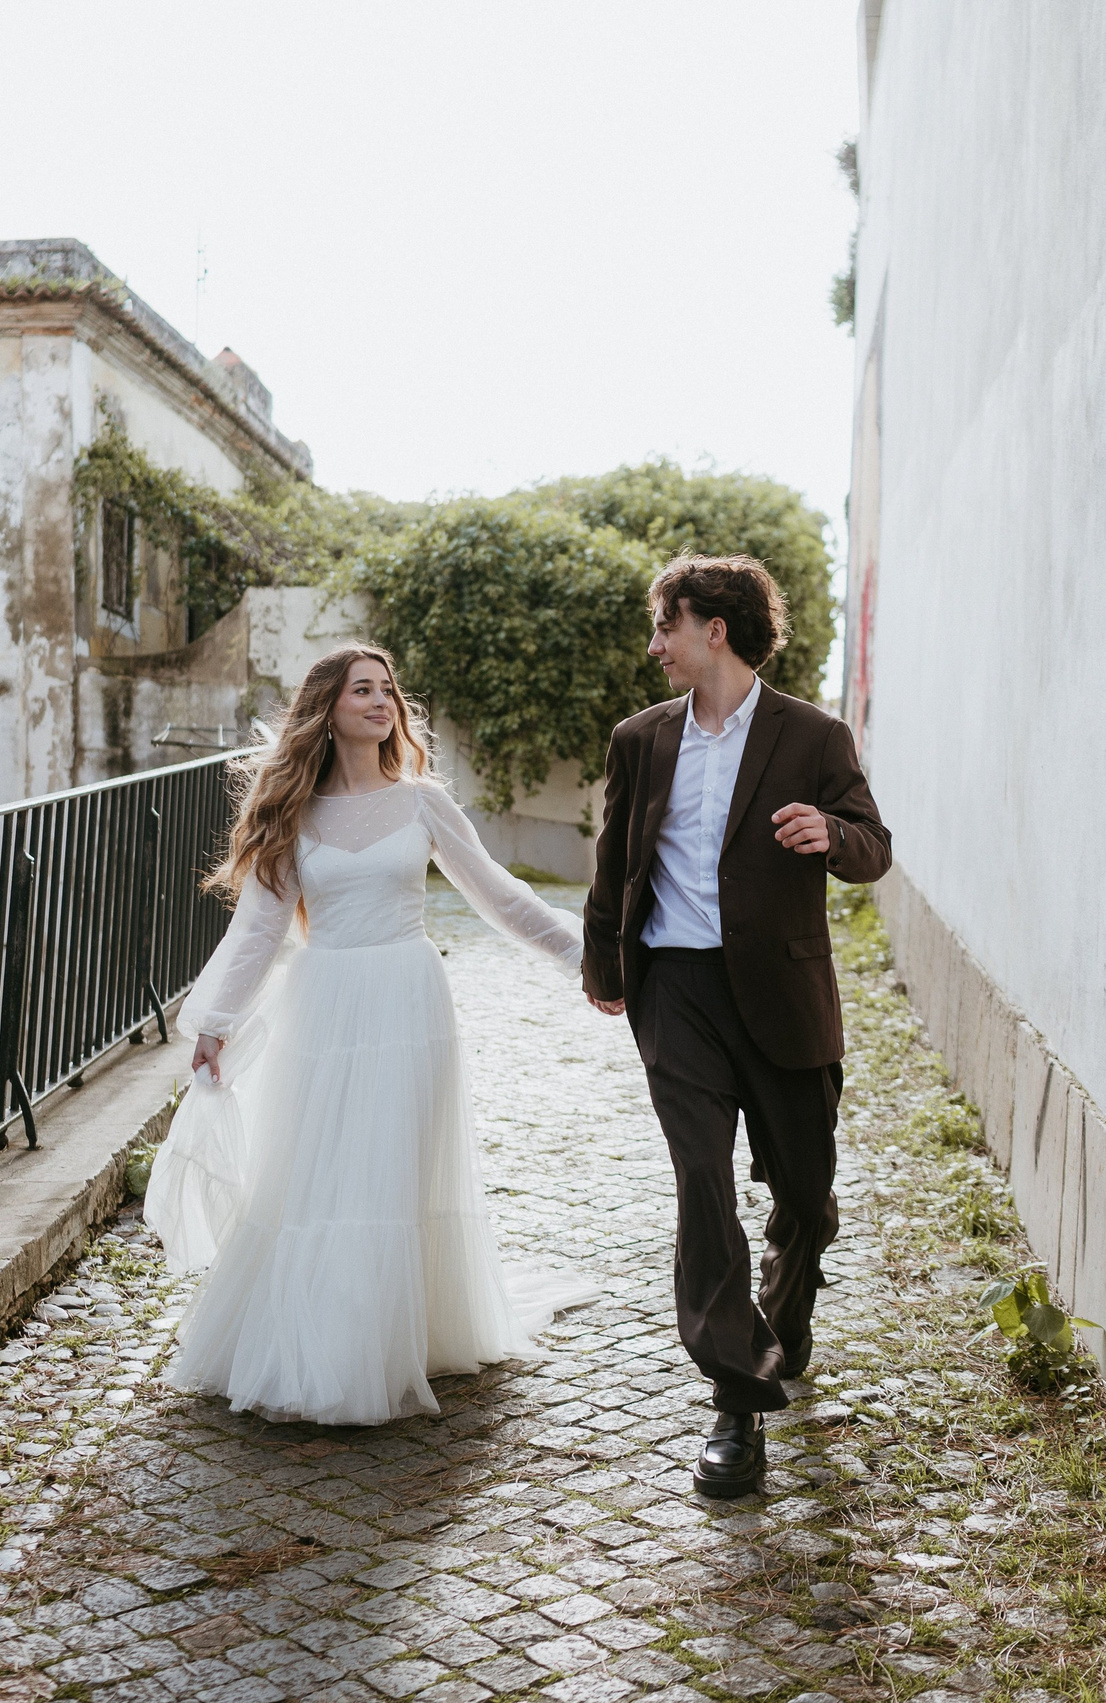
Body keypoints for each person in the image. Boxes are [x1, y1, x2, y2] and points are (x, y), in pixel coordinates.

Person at [149, 644, 593, 1427]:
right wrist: (214, 1024)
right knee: (322, 1169)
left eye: (388, 689)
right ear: (329, 708)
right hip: (322, 1003)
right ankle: (326, 1336)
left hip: (407, 998)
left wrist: (586, 960)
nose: (382, 701)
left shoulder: (422, 803)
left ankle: (395, 1334)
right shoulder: (292, 811)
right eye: (364, 690)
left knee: (392, 1165)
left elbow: (500, 897)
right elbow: (257, 929)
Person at [583, 553, 892, 1498]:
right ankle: (736, 1397)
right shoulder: (640, 739)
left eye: (664, 625)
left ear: (712, 626)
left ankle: (787, 1308)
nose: (655, 645)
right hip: (678, 992)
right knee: (702, 1185)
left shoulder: (814, 735)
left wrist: (827, 836)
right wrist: (607, 966)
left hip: (784, 998)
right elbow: (614, 862)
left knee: (804, 1192)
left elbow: (873, 847)